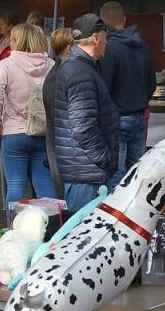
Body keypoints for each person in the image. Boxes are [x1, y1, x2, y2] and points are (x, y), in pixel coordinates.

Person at [43, 15, 118, 212]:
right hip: (85, 172)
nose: (107, 41)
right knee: (83, 234)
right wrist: (104, 158)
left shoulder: (79, 67)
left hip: (84, 168)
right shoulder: (79, 71)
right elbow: (83, 126)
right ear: (95, 38)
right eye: (105, 36)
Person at [0, 23, 53, 210]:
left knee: (16, 184)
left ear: (18, 41)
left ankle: (14, 227)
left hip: (14, 131)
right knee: (44, 183)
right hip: (42, 131)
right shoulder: (51, 65)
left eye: (12, 39)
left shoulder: (7, 64)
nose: (10, 42)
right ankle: (52, 225)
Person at [97, 1, 155, 182]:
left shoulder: (109, 49)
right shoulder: (143, 46)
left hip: (116, 119)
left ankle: (116, 211)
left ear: (102, 24)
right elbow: (152, 82)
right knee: (136, 175)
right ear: (124, 19)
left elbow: (104, 87)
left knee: (116, 175)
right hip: (139, 115)